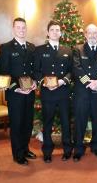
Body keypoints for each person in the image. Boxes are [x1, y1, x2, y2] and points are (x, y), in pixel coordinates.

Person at [0, 17, 37, 166]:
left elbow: (34, 70)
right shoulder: (6, 47)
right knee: (17, 124)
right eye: (18, 27)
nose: (21, 30)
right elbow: (2, 72)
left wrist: (34, 82)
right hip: (15, 94)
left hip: (30, 92)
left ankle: (25, 149)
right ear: (13, 29)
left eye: (23, 27)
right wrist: (16, 87)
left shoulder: (32, 47)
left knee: (28, 123)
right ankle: (17, 154)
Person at [33, 20, 73, 163]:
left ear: (61, 33)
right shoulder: (40, 50)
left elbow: (71, 71)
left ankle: (68, 150)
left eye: (58, 30)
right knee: (48, 122)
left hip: (63, 92)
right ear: (48, 32)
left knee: (65, 122)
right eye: (53, 30)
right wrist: (44, 82)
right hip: (48, 93)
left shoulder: (67, 50)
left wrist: (63, 81)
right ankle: (47, 151)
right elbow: (36, 72)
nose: (55, 32)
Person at [72, 24, 97, 161]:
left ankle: (96, 146)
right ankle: (78, 149)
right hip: (83, 92)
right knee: (80, 121)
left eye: (95, 33)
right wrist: (89, 83)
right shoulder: (77, 49)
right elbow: (77, 68)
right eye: (89, 33)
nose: (92, 36)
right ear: (85, 35)